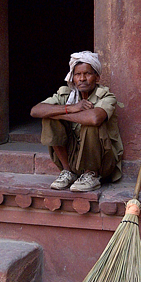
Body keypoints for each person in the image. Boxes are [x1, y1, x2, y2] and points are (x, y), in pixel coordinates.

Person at [30, 51, 123, 191]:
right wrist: (70, 108)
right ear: (73, 78)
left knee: (89, 124)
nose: (82, 79)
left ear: (97, 77)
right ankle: (68, 172)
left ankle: (91, 174)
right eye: (78, 74)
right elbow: (35, 111)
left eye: (88, 74)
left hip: (102, 162)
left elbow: (94, 118)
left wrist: (60, 113)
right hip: (73, 159)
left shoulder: (106, 96)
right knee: (49, 119)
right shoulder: (67, 95)